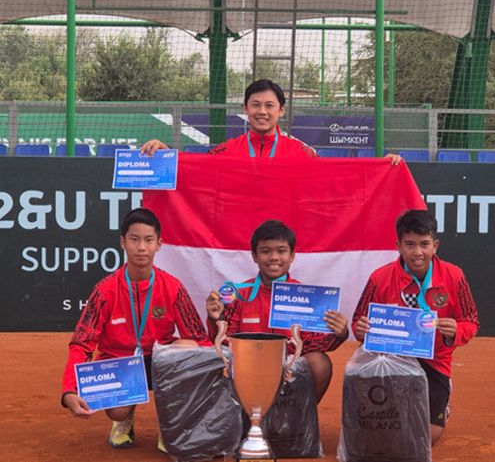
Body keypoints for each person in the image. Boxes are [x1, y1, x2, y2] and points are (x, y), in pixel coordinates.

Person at [60, 208, 211, 449]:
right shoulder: (104, 291)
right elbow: (81, 343)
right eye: (134, 239)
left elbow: (199, 339)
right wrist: (69, 390)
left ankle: (169, 424)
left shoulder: (173, 288)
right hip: (120, 362)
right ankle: (124, 421)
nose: (142, 247)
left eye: (148, 240)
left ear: (158, 245)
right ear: (123, 242)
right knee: (117, 411)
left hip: (160, 361)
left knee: (189, 347)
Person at [351, 209, 479, 445]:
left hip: (434, 361)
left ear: (435, 245)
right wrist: (361, 330)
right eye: (409, 244)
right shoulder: (379, 278)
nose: (417, 252)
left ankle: (441, 399)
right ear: (398, 245)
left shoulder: (454, 276)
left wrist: (456, 332)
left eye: (424, 244)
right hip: (389, 360)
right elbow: (359, 319)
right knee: (380, 429)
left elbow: (471, 320)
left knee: (426, 438)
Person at [206, 219, 349, 402]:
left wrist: (339, 333)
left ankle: (298, 420)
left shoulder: (306, 297)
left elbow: (314, 345)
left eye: (281, 251)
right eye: (266, 251)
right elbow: (224, 344)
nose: (274, 257)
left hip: (289, 368)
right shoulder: (239, 295)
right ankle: (245, 418)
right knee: (217, 362)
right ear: (254, 256)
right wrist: (214, 320)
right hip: (246, 367)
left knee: (320, 363)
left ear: (292, 255)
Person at [140, 78, 401, 163]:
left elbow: (335, 175)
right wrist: (167, 154)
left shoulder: (300, 152)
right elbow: (196, 168)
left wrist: (379, 166)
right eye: (255, 105)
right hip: (236, 244)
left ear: (281, 111)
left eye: (269, 106)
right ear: (245, 108)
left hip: (282, 246)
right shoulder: (227, 150)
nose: (262, 111)